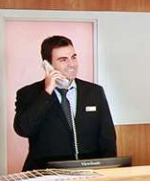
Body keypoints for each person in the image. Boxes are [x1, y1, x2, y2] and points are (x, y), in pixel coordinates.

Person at [13, 35, 117, 170]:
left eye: (73, 57)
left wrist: (110, 171)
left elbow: (108, 138)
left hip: (88, 172)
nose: (71, 64)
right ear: (47, 65)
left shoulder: (94, 92)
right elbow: (24, 129)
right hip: (45, 172)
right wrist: (47, 92)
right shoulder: (28, 93)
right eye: (63, 60)